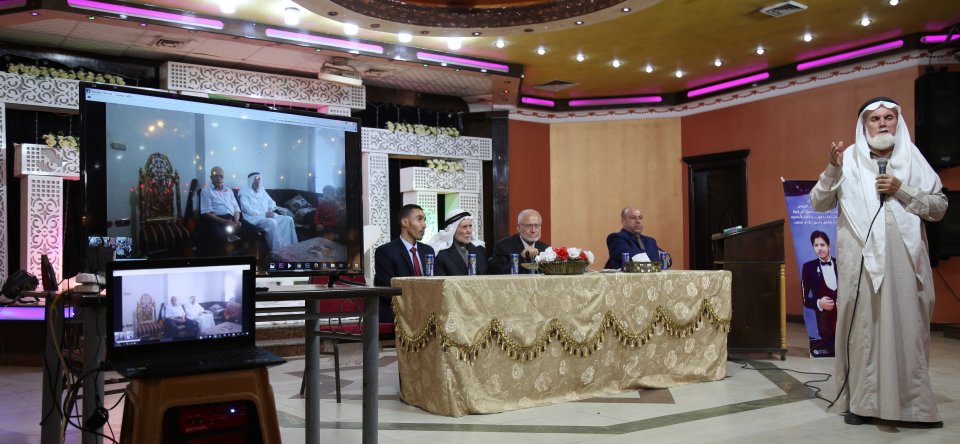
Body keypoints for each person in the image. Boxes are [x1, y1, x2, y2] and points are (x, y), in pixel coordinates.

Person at [810, 97, 946, 428]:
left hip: (904, 265)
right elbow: (818, 202)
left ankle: (912, 407)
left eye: (888, 117)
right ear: (864, 125)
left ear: (898, 122)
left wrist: (902, 190)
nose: (883, 123)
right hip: (860, 265)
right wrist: (832, 169)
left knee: (906, 331)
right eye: (875, 118)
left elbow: (939, 206)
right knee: (863, 333)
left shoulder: (912, 158)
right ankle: (861, 403)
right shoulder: (848, 160)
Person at [374, 204, 435, 322]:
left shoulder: (428, 251)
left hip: (427, 312)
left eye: (424, 220)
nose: (424, 225)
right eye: (419, 219)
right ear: (405, 222)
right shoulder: (386, 251)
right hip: (399, 313)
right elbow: (386, 289)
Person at [199, 166, 256, 254]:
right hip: (216, 220)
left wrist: (236, 221)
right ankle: (225, 259)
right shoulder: (206, 191)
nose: (219, 178)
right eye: (216, 176)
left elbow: (236, 209)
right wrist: (224, 221)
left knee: (252, 230)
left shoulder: (229, 191)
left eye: (221, 176)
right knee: (219, 237)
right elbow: (206, 213)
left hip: (232, 219)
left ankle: (246, 256)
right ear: (211, 178)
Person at [238, 172, 298, 253]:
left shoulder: (261, 190)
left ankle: (289, 248)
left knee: (288, 219)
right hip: (253, 218)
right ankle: (276, 252)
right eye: (255, 180)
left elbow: (271, 202)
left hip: (267, 215)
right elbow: (246, 209)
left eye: (259, 179)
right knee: (271, 222)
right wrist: (264, 214)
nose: (257, 182)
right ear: (250, 181)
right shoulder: (244, 191)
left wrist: (270, 210)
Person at [800, 230, 838, 357]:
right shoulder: (808, 267)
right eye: (816, 245)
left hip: (844, 325)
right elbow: (804, 298)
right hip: (823, 327)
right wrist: (819, 303)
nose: (819, 248)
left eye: (822, 245)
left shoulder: (840, 264)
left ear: (829, 246)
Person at [426, 209, 486, 276]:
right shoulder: (441, 255)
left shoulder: (480, 250)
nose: (469, 231)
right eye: (464, 227)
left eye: (470, 226)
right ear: (452, 229)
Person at [488, 209, 550, 274]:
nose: (533, 230)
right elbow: (499, 273)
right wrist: (522, 257)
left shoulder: (545, 249)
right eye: (529, 226)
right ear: (518, 227)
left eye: (537, 225)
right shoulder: (503, 246)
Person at [604, 207, 669, 269]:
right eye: (633, 218)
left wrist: (642, 255)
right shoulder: (616, 238)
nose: (638, 221)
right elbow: (634, 258)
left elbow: (668, 260)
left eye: (640, 218)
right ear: (623, 221)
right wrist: (656, 254)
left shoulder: (650, 240)